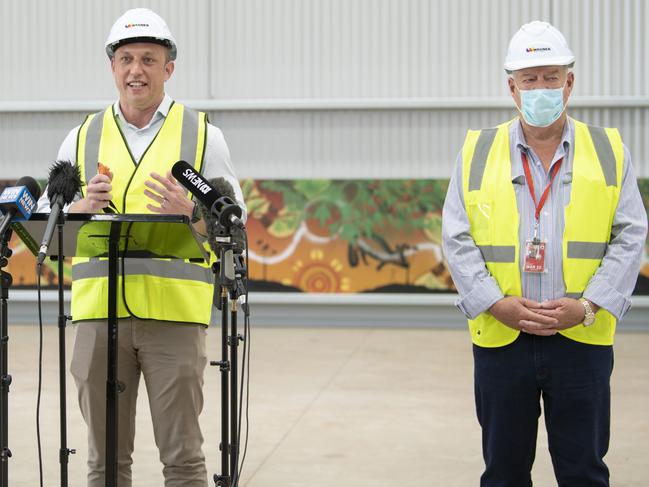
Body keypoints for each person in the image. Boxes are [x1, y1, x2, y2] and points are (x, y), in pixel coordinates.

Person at [37, 8, 245, 486]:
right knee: (103, 461)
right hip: (96, 318)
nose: (136, 70)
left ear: (168, 68)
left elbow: (237, 220)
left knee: (183, 459)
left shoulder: (202, 135)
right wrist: (79, 208)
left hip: (173, 319)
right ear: (112, 67)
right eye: (126, 58)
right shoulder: (81, 137)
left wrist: (191, 212)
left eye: (149, 59)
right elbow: (51, 222)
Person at [442, 21, 647, 487]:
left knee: (584, 472)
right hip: (502, 339)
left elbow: (630, 234)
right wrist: (496, 303)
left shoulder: (609, 150)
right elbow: (457, 237)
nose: (540, 88)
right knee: (504, 472)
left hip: (581, 339)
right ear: (511, 87)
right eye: (529, 79)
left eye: (551, 76)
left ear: (569, 82)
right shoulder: (477, 150)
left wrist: (589, 305)